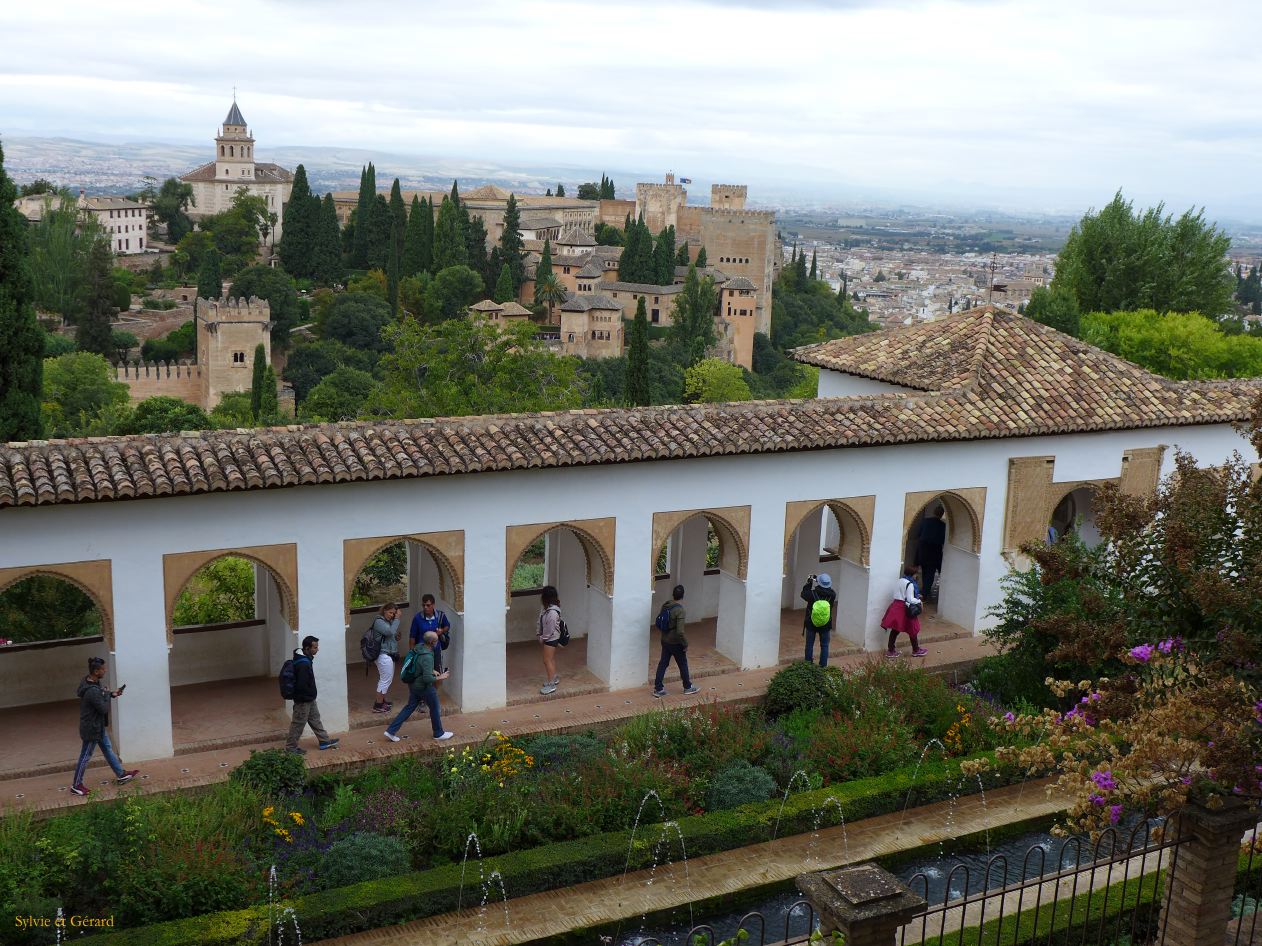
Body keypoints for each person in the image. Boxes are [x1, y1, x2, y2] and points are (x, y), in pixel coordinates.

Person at [70, 656, 138, 796]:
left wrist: (111, 693)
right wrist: (106, 696)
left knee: (107, 749)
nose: (105, 670)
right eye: (103, 669)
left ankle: (121, 774)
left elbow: (101, 696)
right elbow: (103, 709)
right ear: (96, 671)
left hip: (98, 726)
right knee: (85, 756)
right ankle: (76, 785)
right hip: (92, 729)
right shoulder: (92, 691)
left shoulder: (89, 681)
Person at [383, 631, 453, 742]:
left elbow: (420, 665)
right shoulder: (428, 656)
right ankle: (438, 733)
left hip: (413, 685)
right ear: (432, 642)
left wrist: (431, 670)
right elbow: (427, 679)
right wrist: (441, 677)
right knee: (435, 708)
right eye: (436, 640)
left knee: (409, 707)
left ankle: (391, 731)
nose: (437, 642)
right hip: (424, 687)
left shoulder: (419, 648)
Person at [287, 635, 340, 754]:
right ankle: (291, 748)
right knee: (298, 723)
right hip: (303, 700)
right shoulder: (303, 664)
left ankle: (324, 741)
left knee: (315, 719)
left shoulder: (305, 658)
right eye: (315, 647)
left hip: (309, 698)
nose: (317, 649)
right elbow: (301, 685)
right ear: (307, 648)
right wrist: (305, 698)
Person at [653, 585, 700, 698]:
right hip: (675, 643)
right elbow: (680, 632)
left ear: (673, 595)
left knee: (663, 664)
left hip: (665, 640)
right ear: (683, 596)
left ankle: (658, 688)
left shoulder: (666, 605)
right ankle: (687, 687)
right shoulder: (679, 610)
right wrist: (685, 644)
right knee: (682, 664)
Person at [882, 565, 927, 658]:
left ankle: (890, 650)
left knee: (895, 629)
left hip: (896, 606)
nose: (916, 576)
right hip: (905, 609)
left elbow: (899, 594)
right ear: (913, 574)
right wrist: (919, 601)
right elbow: (910, 599)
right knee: (913, 629)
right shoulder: (910, 584)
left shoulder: (900, 580)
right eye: (916, 574)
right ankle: (916, 650)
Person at [801, 572, 838, 667]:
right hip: (825, 623)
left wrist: (809, 582)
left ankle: (808, 665)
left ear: (819, 583)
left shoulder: (812, 594)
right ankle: (823, 666)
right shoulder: (832, 595)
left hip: (811, 622)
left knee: (809, 645)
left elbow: (803, 594)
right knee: (825, 645)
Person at [408, 593, 452, 673]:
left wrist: (441, 631)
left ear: (433, 605)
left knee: (438, 673)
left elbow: (447, 626)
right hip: (422, 651)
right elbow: (412, 636)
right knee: (424, 673)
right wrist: (412, 653)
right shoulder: (417, 618)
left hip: (436, 649)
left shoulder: (440, 615)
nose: (425, 607)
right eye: (423, 605)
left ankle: (436, 686)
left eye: (428, 605)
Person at [370, 602, 401, 714]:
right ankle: (378, 705)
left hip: (388, 654)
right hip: (382, 655)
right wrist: (397, 619)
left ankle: (382, 701)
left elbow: (391, 635)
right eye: (390, 612)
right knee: (384, 680)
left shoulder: (388, 622)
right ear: (384, 611)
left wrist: (396, 637)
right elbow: (389, 632)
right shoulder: (379, 621)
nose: (392, 615)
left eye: (394, 613)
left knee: (387, 679)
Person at [917, 506, 947, 600]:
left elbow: (919, 534)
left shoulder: (925, 521)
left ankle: (924, 591)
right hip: (934, 553)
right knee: (930, 574)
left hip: (923, 551)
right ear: (942, 514)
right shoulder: (943, 526)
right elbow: (943, 541)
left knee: (925, 572)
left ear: (934, 512)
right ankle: (925, 593)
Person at [537, 585, 562, 695]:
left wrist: (543, 638)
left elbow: (550, 629)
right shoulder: (549, 609)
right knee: (550, 659)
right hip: (551, 638)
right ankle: (554, 678)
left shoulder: (552, 612)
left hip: (550, 639)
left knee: (547, 660)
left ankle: (551, 684)